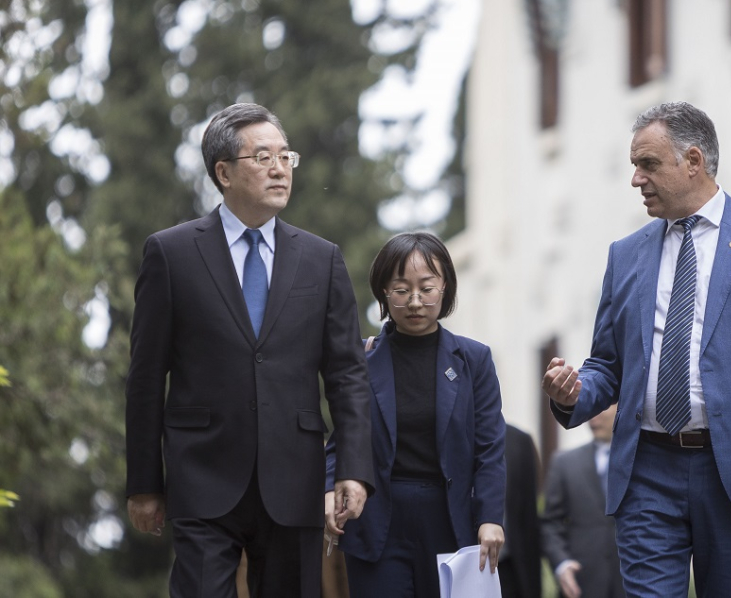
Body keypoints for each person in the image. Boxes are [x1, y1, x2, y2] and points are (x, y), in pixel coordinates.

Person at [540, 101, 731, 596]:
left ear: (693, 161)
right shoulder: (624, 254)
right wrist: (572, 394)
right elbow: (607, 365)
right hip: (646, 471)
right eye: (634, 165)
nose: (635, 179)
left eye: (648, 164)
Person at [125, 103, 374, 597]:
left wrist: (352, 468)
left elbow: (347, 374)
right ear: (223, 172)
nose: (280, 168)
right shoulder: (172, 254)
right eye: (262, 157)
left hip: (295, 478)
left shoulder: (322, 260)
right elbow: (146, 377)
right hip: (202, 476)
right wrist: (144, 482)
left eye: (286, 156)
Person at [324, 231, 506, 597]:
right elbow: (341, 438)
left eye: (427, 287)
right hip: (376, 520)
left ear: (446, 288)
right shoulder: (359, 360)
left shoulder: (473, 360)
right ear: (384, 293)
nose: (415, 301)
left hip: (450, 520)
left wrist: (489, 518)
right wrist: (330, 488)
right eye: (402, 289)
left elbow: (489, 448)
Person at [541, 404, 622, 598]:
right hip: (582, 584)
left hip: (633, 582)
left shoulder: (644, 462)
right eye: (591, 409)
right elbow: (549, 524)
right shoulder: (564, 462)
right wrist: (561, 564)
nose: (594, 416)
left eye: (602, 407)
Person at [498, 424, 542, 598]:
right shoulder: (447, 434)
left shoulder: (518, 441)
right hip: (460, 566)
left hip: (509, 569)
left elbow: (529, 518)